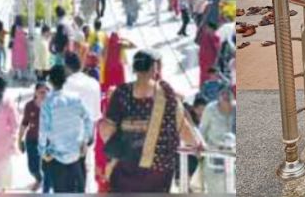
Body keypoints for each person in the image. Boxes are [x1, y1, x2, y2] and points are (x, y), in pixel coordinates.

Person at [100, 50, 201, 193]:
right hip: (157, 172)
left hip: (125, 169)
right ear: (155, 68)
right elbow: (183, 128)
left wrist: (122, 150)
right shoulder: (167, 95)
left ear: (134, 68)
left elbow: (106, 128)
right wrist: (197, 145)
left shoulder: (121, 93)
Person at [39, 65, 94, 193]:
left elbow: (43, 131)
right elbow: (88, 119)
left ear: (50, 81)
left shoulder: (47, 103)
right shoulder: (75, 99)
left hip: (57, 157)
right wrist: (85, 141)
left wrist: (43, 152)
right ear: (65, 80)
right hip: (76, 154)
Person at [64, 52, 102, 192]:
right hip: (87, 132)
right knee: (82, 163)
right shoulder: (93, 83)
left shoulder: (63, 84)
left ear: (67, 67)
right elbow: (97, 113)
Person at [199, 87, 236, 194]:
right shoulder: (210, 109)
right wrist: (202, 148)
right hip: (214, 155)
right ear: (218, 97)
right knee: (216, 190)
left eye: (228, 95)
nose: (226, 97)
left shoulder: (237, 109)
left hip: (234, 157)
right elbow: (202, 131)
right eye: (223, 94)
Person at [19, 82, 52, 192]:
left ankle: (46, 188)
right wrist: (20, 139)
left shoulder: (52, 105)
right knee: (32, 167)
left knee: (47, 167)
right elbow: (24, 123)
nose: (44, 94)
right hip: (32, 140)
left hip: (48, 141)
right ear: (35, 93)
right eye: (41, 92)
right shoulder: (29, 106)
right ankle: (39, 179)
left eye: (46, 92)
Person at [10, 15, 29, 81]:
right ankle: (21, 77)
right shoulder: (21, 29)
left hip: (15, 48)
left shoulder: (13, 28)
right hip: (22, 48)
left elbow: (11, 39)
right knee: (22, 63)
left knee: (16, 62)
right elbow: (24, 39)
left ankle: (17, 75)